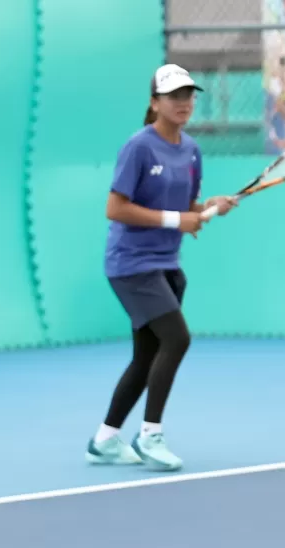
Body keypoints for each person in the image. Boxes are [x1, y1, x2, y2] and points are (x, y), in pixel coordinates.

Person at [85, 64, 238, 471]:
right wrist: (178, 220)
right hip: (131, 265)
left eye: (188, 95)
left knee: (147, 355)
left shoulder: (191, 150)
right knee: (177, 338)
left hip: (167, 264)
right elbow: (115, 208)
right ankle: (150, 435)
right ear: (154, 103)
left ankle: (104, 439)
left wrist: (209, 208)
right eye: (174, 96)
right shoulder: (139, 146)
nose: (183, 102)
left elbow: (187, 208)